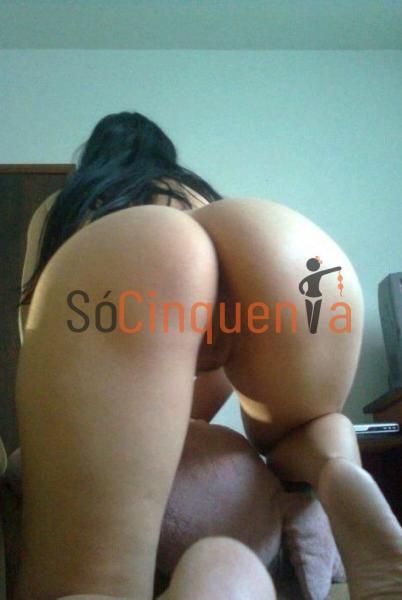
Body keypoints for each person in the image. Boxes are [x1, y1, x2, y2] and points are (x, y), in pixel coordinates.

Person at [15, 111, 402, 599]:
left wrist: (140, 419)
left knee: (94, 577)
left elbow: (34, 322)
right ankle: (340, 477)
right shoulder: (196, 197)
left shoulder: (67, 203)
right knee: (302, 427)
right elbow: (220, 362)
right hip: (283, 246)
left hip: (123, 262)